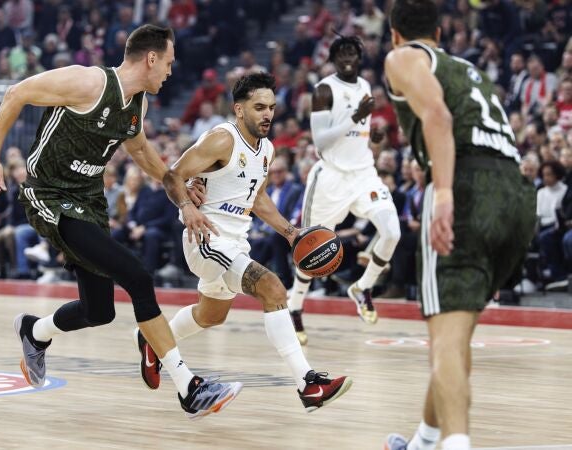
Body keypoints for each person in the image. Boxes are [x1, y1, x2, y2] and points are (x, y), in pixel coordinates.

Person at [0, 24, 243, 420]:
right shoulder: (87, 82)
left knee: (99, 310)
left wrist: (183, 188)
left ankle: (34, 332)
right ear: (151, 58)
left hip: (87, 200)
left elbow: (143, 155)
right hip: (49, 195)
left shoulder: (137, 105)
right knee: (137, 276)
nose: (171, 71)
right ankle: (189, 387)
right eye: (168, 63)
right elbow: (16, 93)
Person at [135, 73, 352, 411]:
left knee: (211, 316)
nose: (267, 114)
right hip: (205, 239)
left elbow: (258, 198)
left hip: (235, 241)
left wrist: (291, 232)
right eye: (259, 107)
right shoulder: (223, 139)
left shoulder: (266, 149)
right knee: (273, 289)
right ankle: (308, 385)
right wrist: (187, 206)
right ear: (239, 109)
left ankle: (154, 341)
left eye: (272, 108)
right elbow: (174, 174)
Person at [382, 2, 536, 450]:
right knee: (455, 334)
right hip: (514, 196)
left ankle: (454, 443)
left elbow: (439, 116)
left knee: (445, 341)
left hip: (467, 186)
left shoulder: (403, 56)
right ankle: (424, 442)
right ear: (439, 31)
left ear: (394, 35)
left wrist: (445, 194)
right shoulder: (467, 69)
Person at [286, 34, 401, 345]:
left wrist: (374, 141)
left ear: (360, 57)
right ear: (334, 58)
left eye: (353, 52)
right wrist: (356, 116)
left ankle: (362, 288)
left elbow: (357, 137)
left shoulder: (364, 86)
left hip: (364, 174)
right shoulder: (324, 89)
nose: (348, 57)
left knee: (392, 232)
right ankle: (295, 306)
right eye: (342, 53)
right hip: (331, 178)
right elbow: (321, 140)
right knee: (310, 251)